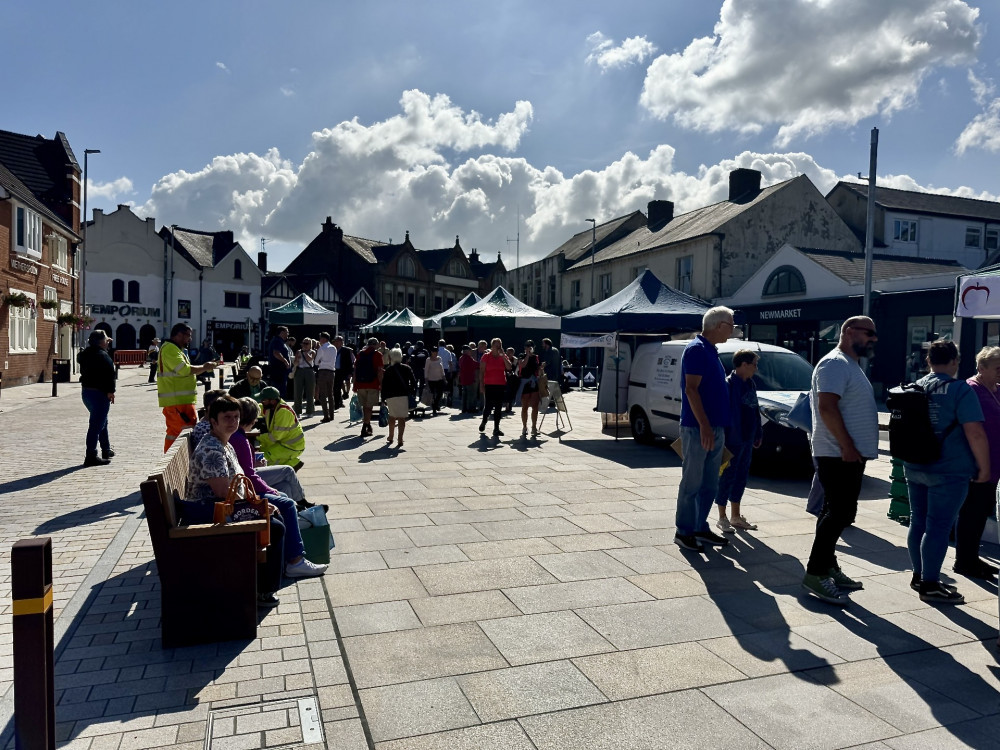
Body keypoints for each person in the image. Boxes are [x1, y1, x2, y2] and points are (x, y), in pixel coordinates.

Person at [182, 397, 323, 609]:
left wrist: (258, 502)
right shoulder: (213, 450)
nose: (232, 421)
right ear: (213, 421)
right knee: (274, 525)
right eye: (226, 417)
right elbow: (222, 493)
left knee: (277, 511)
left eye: (236, 417)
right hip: (211, 511)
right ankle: (267, 588)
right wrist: (257, 505)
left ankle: (288, 565)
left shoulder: (223, 442)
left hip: (221, 505)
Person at [801, 316, 880, 605]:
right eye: (868, 333)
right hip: (837, 453)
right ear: (848, 332)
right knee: (840, 513)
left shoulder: (850, 365)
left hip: (846, 453)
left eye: (875, 335)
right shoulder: (834, 363)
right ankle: (815, 572)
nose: (873, 339)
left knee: (834, 512)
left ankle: (829, 566)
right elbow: (826, 406)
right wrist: (847, 445)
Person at [904, 340, 990, 605]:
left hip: (914, 465)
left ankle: (919, 576)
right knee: (938, 526)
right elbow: (975, 433)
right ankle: (930, 584)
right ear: (955, 361)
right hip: (949, 468)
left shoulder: (912, 387)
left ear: (928, 361)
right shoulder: (960, 389)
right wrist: (984, 468)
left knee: (917, 520)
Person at [673, 307, 735, 553]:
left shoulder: (710, 351)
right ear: (719, 325)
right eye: (731, 324)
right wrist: (705, 426)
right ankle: (684, 531)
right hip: (699, 429)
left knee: (710, 483)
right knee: (692, 482)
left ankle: (699, 526)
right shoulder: (697, 350)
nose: (733, 329)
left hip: (714, 427)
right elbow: (691, 390)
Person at [957, 346, 1000, 579]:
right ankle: (964, 561)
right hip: (978, 463)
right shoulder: (971, 389)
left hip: (994, 464)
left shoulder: (996, 389)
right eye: (997, 368)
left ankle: (971, 558)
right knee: (972, 512)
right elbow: (971, 429)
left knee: (982, 512)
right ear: (981, 368)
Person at [233, 397, 321, 512]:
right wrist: (271, 491)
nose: (255, 422)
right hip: (243, 482)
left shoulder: (238, 436)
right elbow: (249, 475)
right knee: (287, 471)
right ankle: (300, 503)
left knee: (286, 487)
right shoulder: (239, 439)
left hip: (242, 478)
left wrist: (254, 462)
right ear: (251, 419)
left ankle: (297, 512)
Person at [715, 349, 763, 532]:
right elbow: (723, 413)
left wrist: (758, 433)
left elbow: (755, 409)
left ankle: (736, 516)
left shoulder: (750, 384)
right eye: (754, 364)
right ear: (743, 365)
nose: (756, 369)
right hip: (731, 439)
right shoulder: (728, 385)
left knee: (741, 477)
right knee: (727, 476)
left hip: (747, 438)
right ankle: (722, 517)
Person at [158, 323, 218, 452]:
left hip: (180, 401)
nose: (190, 339)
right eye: (188, 336)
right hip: (178, 402)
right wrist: (205, 367)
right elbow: (184, 370)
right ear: (179, 335)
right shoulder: (170, 349)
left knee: (179, 435)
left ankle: (176, 463)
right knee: (179, 436)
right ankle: (173, 465)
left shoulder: (174, 349)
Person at [78, 329, 117, 467]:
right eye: (106, 339)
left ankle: (106, 450)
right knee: (96, 425)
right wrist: (111, 392)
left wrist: (104, 344)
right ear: (101, 341)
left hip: (87, 393)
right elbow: (110, 375)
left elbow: (80, 356)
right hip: (100, 394)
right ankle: (91, 456)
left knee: (102, 421)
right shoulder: (103, 356)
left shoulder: (85, 354)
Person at [258, 386, 306, 469]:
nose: (262, 402)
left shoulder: (283, 412)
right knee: (261, 450)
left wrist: (257, 437)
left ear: (272, 401)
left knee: (263, 458)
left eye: (264, 400)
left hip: (291, 446)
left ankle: (293, 464)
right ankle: (293, 463)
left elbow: (275, 437)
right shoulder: (271, 407)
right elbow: (258, 407)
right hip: (283, 443)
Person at [382, 347, 416, 448]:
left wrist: (383, 398)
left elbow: (384, 385)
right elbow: (413, 382)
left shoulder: (388, 370)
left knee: (392, 416)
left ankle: (391, 436)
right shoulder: (407, 368)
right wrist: (409, 390)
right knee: (402, 418)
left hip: (391, 396)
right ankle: (400, 438)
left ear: (391, 357)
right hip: (403, 396)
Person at [479, 338, 512, 438]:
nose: (498, 347)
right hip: (489, 384)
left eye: (500, 345)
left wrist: (504, 357)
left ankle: (496, 428)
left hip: (500, 384)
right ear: (492, 346)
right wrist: (481, 385)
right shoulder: (486, 356)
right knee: (488, 405)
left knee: (498, 407)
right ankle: (484, 421)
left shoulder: (503, 356)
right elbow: (482, 371)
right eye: (496, 345)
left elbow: (509, 367)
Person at [354, 337, 384, 436]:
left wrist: (354, 384)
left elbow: (355, 370)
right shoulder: (378, 355)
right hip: (373, 383)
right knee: (369, 407)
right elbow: (380, 371)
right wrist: (381, 384)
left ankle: (367, 424)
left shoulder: (360, 354)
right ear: (376, 345)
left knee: (364, 406)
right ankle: (365, 426)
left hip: (360, 384)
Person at [517, 341, 542, 437]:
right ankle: (524, 427)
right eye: (527, 346)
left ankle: (534, 427)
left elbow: (537, 369)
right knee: (525, 406)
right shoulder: (522, 355)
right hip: (525, 383)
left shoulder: (536, 357)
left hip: (533, 382)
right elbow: (522, 365)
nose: (529, 348)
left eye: (531, 346)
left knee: (535, 406)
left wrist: (541, 368)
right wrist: (527, 355)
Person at [313, 332, 337, 422]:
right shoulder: (334, 348)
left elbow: (316, 362)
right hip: (331, 372)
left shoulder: (321, 348)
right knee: (330, 394)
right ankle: (332, 414)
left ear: (324, 339)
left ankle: (326, 416)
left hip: (323, 371)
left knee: (322, 394)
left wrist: (321, 362)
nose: (319, 340)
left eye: (320, 338)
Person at [292, 338, 317, 417]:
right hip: (299, 370)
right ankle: (297, 411)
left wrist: (305, 352)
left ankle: (310, 411)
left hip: (309, 371)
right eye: (304, 343)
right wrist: (297, 360)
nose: (305, 345)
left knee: (310, 391)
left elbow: (309, 358)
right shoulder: (298, 352)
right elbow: (295, 362)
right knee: (298, 391)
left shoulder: (313, 352)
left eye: (307, 343)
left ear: (311, 345)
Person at [268, 326, 292, 398]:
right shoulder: (277, 341)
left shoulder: (279, 341)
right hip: (278, 370)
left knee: (280, 389)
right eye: (286, 332)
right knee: (279, 391)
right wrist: (285, 361)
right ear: (281, 333)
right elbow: (276, 353)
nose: (288, 334)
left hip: (280, 370)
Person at [333, 335, 354, 409]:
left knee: (337, 387)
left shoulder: (346, 350)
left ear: (342, 342)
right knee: (335, 388)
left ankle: (337, 404)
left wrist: (350, 373)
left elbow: (349, 362)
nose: (337, 343)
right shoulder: (332, 349)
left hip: (341, 371)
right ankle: (339, 401)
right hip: (333, 370)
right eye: (336, 341)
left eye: (339, 341)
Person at [424, 346, 447, 414]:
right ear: (431, 352)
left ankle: (436, 404)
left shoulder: (439, 358)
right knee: (433, 394)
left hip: (439, 379)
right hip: (431, 379)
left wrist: (444, 378)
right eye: (434, 352)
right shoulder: (428, 360)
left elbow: (442, 368)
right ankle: (434, 407)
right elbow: (426, 370)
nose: (436, 353)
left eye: (437, 352)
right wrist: (426, 380)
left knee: (440, 393)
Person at [541, 338, 561, 406]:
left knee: (549, 387)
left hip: (550, 372)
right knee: (553, 387)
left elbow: (547, 362)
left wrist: (541, 367)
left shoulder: (549, 351)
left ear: (547, 344)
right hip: (555, 372)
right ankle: (553, 401)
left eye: (543, 343)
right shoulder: (556, 350)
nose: (542, 345)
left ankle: (551, 401)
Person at [459, 344, 479, 413]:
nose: (470, 352)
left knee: (464, 395)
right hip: (469, 379)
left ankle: (464, 408)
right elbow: (476, 365)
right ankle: (471, 408)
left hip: (463, 379)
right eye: (469, 350)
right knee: (471, 394)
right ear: (467, 351)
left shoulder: (461, 358)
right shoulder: (468, 358)